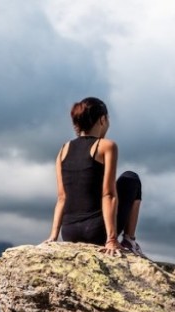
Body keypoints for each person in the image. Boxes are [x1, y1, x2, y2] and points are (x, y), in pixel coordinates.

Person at [43, 97, 146, 257]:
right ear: (102, 119)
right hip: (97, 232)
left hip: (69, 233)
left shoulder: (63, 149)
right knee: (131, 178)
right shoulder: (106, 146)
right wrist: (111, 239)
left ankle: (60, 234)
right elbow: (108, 194)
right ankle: (129, 240)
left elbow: (62, 197)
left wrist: (53, 236)